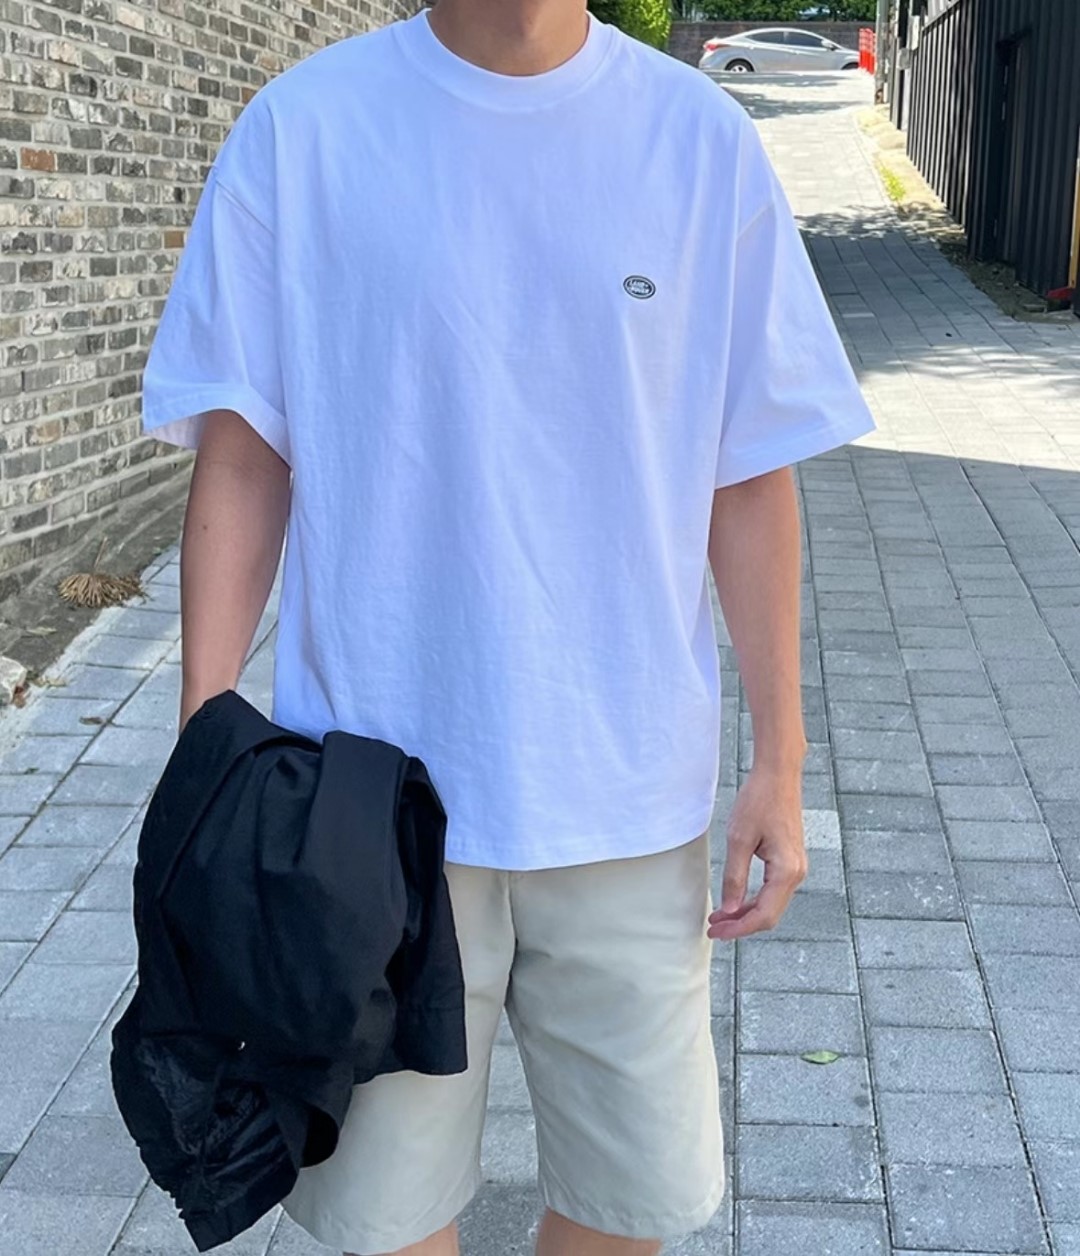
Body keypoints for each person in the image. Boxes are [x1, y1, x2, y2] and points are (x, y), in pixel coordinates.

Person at [140, 0, 875, 1252]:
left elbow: (748, 472)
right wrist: (206, 738)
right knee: (383, 1219)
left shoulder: (697, 142)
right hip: (368, 805)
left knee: (629, 1207)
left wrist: (782, 759)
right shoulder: (304, 132)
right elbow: (247, 445)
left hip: (626, 793)